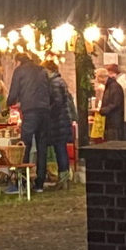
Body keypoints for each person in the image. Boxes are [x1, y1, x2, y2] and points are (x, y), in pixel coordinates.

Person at [6, 52, 57, 188]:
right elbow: (51, 93)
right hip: (44, 111)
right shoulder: (42, 70)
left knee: (25, 145)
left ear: (18, 61)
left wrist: (8, 104)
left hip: (30, 111)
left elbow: (14, 92)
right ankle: (40, 182)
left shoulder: (20, 71)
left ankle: (23, 180)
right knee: (42, 146)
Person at [44, 64, 77, 184]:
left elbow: (57, 102)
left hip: (58, 120)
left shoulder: (54, 83)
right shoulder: (61, 81)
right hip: (64, 119)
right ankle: (65, 176)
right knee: (61, 147)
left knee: (60, 148)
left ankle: (63, 177)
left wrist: (48, 112)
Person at [97, 64, 126, 140]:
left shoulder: (114, 87)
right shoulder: (110, 86)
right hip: (111, 120)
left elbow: (115, 103)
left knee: (113, 141)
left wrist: (104, 110)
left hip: (115, 121)